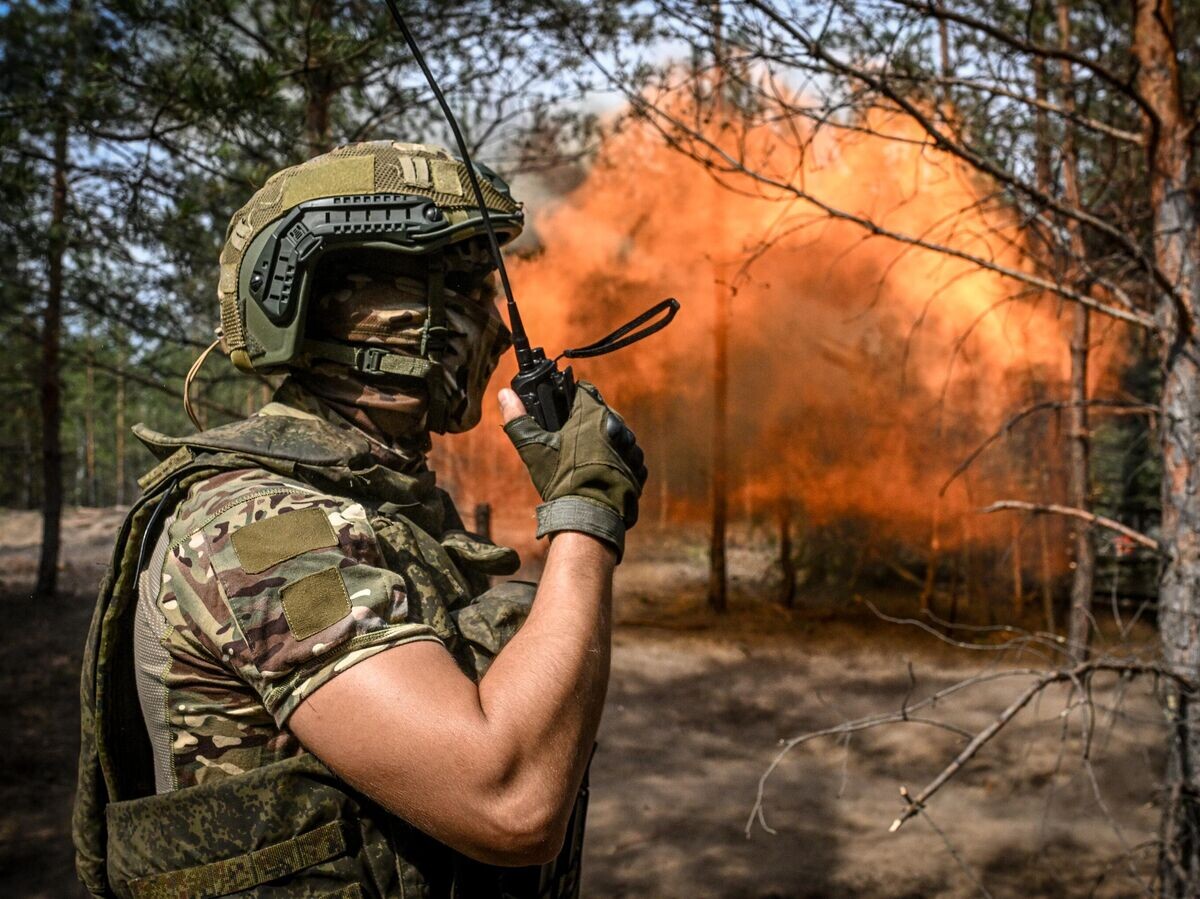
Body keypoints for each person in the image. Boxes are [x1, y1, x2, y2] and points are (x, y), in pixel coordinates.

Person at [73, 140, 647, 899]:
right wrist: (585, 513)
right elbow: (509, 800)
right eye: (465, 289)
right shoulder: (263, 529)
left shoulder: (379, 504)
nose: (496, 325)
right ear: (344, 310)